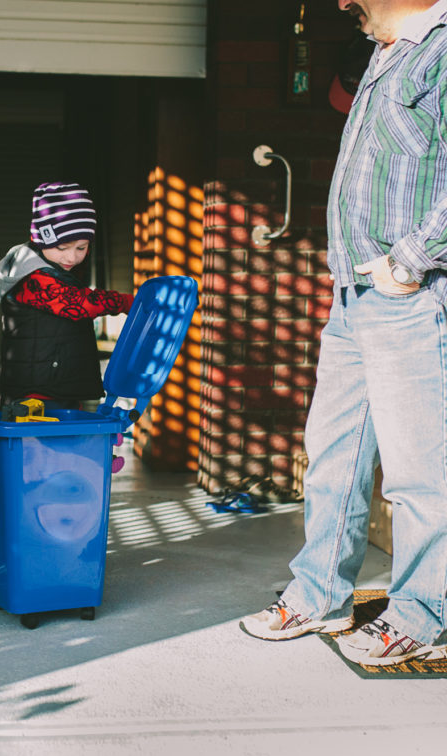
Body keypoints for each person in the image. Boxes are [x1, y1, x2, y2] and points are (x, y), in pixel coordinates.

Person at [240, 0, 447, 667]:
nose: (341, 2)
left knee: (420, 474)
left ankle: (422, 614)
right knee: (333, 456)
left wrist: (408, 264)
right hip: (355, 295)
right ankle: (319, 594)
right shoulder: (387, 54)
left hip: (409, 296)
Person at [0, 181, 134, 587]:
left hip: (59, 388)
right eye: (65, 247)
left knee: (55, 474)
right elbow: (76, 306)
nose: (74, 257)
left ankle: (47, 546)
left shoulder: (53, 270)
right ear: (42, 238)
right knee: (28, 477)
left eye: (83, 247)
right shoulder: (34, 278)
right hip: (33, 393)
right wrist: (125, 301)